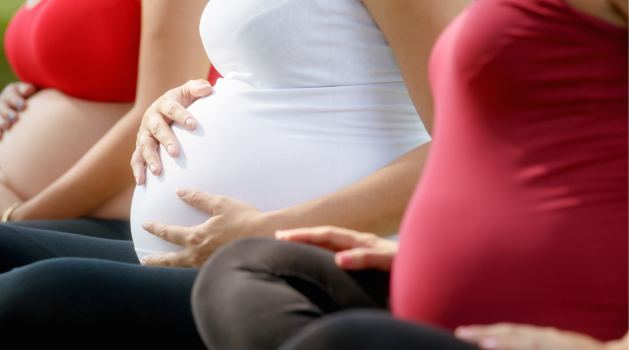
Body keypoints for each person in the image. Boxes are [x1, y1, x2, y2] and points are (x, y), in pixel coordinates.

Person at [0, 0, 470, 348]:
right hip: (189, 248)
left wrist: (271, 227)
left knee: (35, 296)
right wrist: (175, 102)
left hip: (281, 264)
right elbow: (279, 78)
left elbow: (465, 152)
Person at [190, 0, 629, 349]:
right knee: (246, 272)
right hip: (449, 306)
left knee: (345, 342)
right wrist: (425, 254)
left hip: (566, 323)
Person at [0, 0, 213, 327]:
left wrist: (23, 216)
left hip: (118, 217)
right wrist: (30, 92)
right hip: (23, 205)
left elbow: (162, 109)